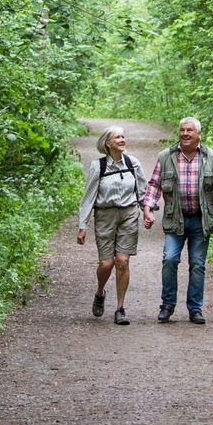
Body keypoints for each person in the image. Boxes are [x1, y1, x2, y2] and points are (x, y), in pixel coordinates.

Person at [143, 116, 213, 324]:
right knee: (170, 259)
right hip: (176, 219)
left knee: (197, 265)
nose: (185, 134)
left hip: (201, 221)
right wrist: (148, 208)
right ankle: (167, 305)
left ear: (198, 134)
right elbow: (154, 185)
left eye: (190, 130)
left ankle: (195, 309)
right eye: (182, 130)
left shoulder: (212, 157)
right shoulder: (166, 157)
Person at [77, 126, 147, 325]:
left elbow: (142, 190)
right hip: (105, 215)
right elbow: (88, 197)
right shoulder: (98, 166)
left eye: (123, 136)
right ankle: (100, 292)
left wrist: (147, 211)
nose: (122, 139)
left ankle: (120, 308)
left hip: (128, 214)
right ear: (108, 143)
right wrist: (83, 226)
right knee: (106, 263)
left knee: (122, 261)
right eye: (118, 137)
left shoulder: (132, 163)